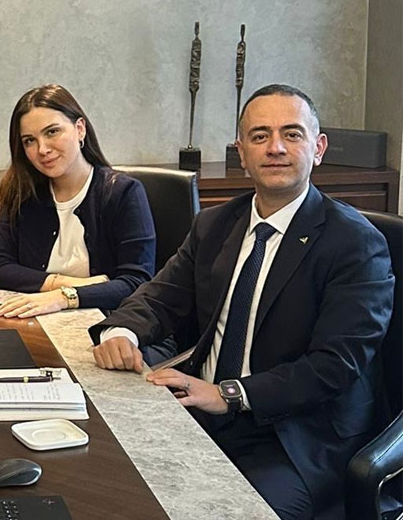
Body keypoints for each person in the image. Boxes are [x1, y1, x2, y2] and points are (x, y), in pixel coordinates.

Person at [91, 84, 394, 519]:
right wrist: (122, 332)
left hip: (295, 438)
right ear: (242, 152)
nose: (275, 147)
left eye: (292, 134)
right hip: (201, 411)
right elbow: (160, 297)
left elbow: (335, 365)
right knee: (106, 483)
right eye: (259, 136)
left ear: (318, 148)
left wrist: (231, 394)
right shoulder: (215, 224)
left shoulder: (355, 243)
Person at [0, 84, 156, 318]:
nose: (42, 149)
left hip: (108, 323)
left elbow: (136, 282)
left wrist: (65, 297)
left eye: (52, 132)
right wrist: (63, 284)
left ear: (80, 129)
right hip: (36, 320)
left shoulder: (123, 192)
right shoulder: (22, 194)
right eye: (29, 141)